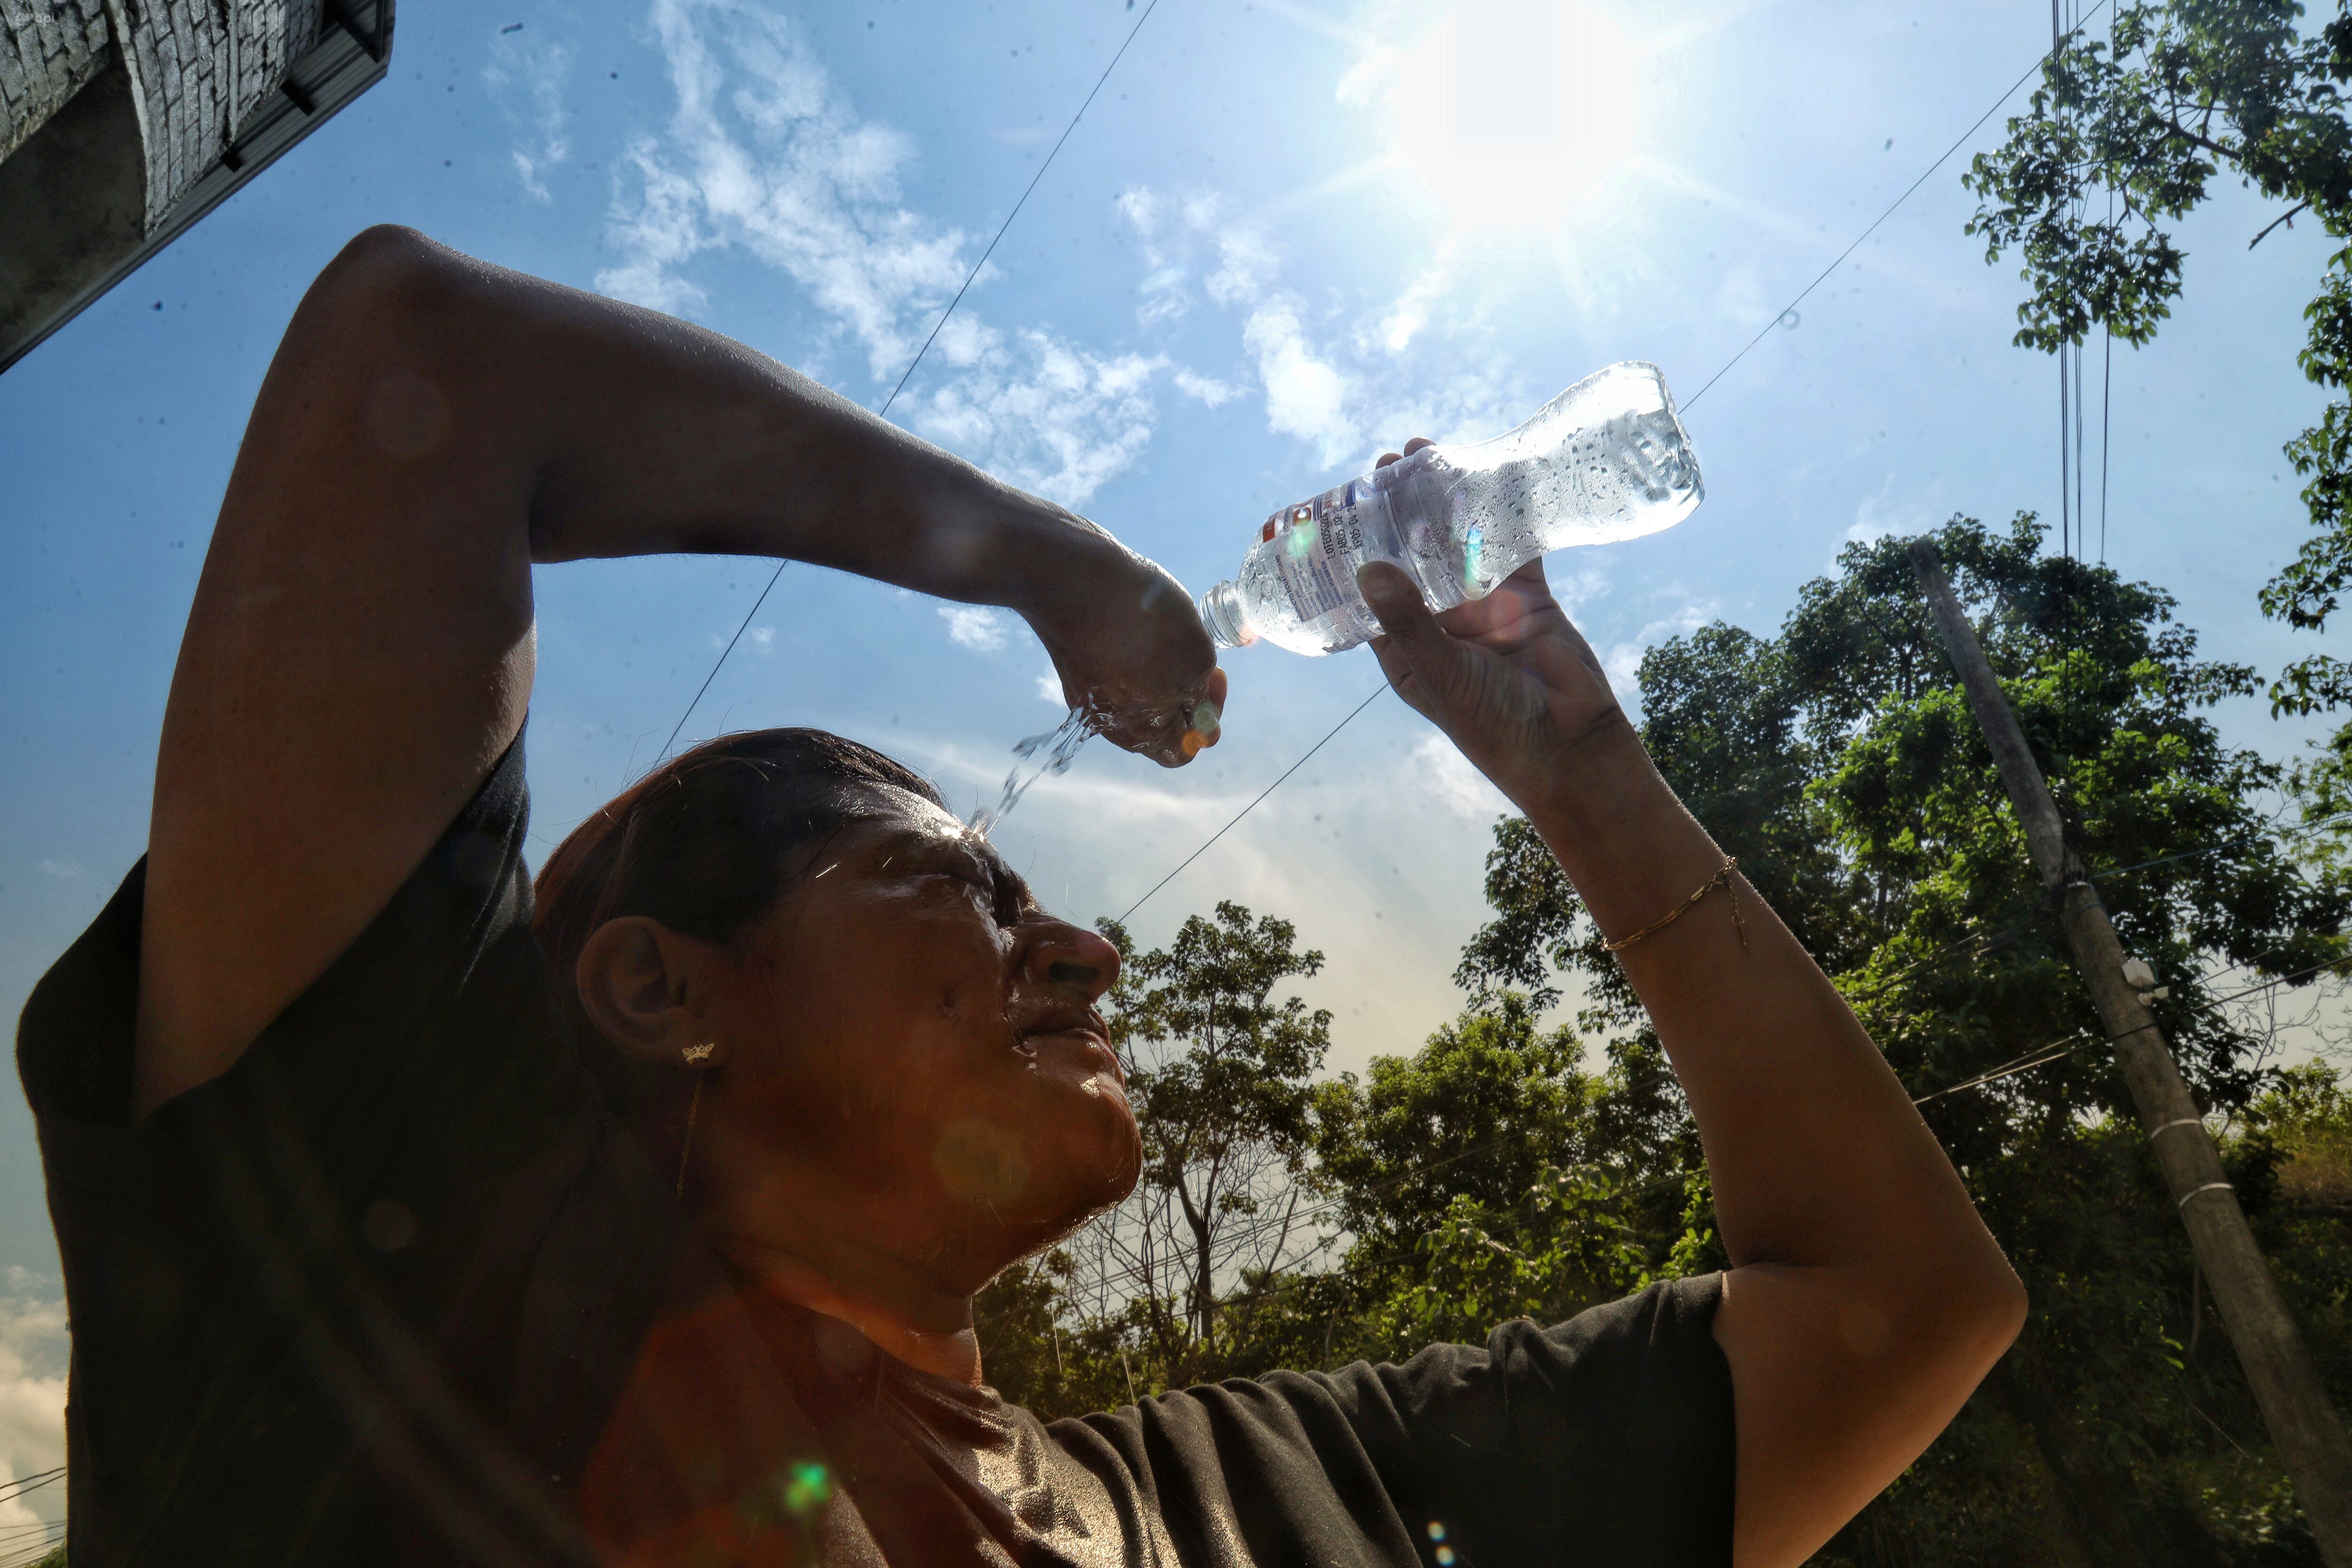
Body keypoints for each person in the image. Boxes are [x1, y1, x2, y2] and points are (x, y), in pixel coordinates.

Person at [18, 226, 2024, 1568]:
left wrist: (1579, 775)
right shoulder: (406, 1357)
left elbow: (1899, 1306)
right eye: (944, 887)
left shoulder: (1264, 1497)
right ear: (656, 989)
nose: (1079, 944)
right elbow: (424, 358)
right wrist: (1041, 562)